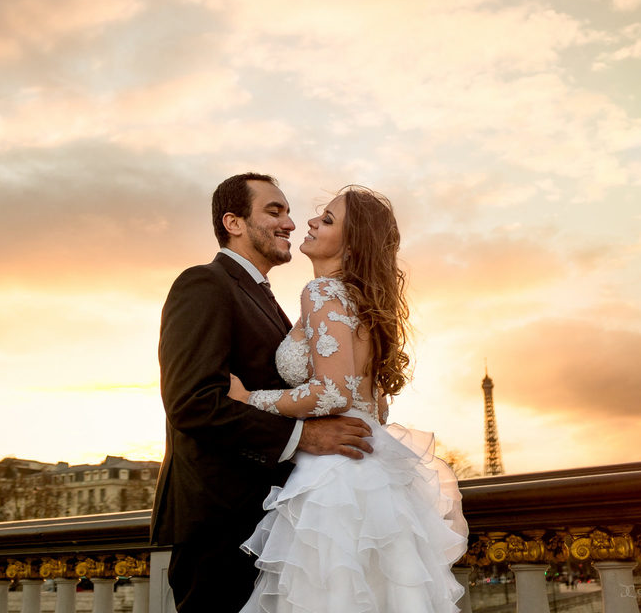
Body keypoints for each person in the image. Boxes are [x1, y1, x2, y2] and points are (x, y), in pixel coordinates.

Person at [228, 186, 469, 613]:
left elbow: (333, 393)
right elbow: (372, 406)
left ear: (352, 244)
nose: (311, 222)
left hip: (335, 477)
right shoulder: (362, 303)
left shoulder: (321, 293)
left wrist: (250, 398)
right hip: (373, 473)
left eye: (328, 220)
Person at [151, 173, 376, 613]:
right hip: (221, 523)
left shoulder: (270, 299)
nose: (291, 223)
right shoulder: (203, 284)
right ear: (233, 222)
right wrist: (304, 438)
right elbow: (192, 403)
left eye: (289, 212)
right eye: (275, 211)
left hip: (274, 517)